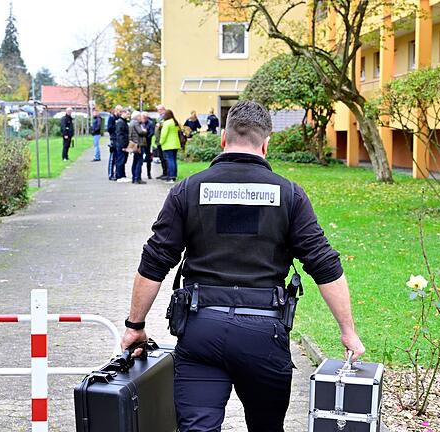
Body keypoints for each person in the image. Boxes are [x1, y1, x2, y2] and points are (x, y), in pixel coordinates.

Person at [120, 100, 365, 432]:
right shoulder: (289, 195)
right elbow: (323, 264)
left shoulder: (188, 191)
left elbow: (155, 261)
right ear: (266, 143)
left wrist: (135, 325)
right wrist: (348, 332)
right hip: (263, 334)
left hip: (200, 329)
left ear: (223, 138)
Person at [159, 109, 181, 183]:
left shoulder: (167, 123)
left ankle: (171, 177)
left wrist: (161, 142)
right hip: (175, 144)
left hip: (168, 144)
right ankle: (174, 176)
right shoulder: (174, 122)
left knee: (170, 160)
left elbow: (164, 134)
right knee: (173, 160)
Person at [128, 111, 148, 184]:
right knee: (139, 161)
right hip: (139, 144)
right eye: (140, 116)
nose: (141, 117)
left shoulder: (131, 122)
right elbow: (140, 132)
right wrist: (145, 131)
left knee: (135, 161)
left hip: (134, 144)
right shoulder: (136, 123)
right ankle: (137, 178)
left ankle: (134, 178)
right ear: (137, 117)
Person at [114, 109, 131, 183]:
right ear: (123, 113)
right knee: (121, 160)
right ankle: (119, 176)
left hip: (123, 144)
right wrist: (123, 145)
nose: (128, 115)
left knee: (123, 160)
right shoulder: (120, 122)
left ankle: (122, 175)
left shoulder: (122, 122)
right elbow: (120, 135)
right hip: (122, 145)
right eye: (127, 114)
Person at [107, 105, 122, 180]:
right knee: (112, 158)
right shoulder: (111, 118)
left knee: (118, 158)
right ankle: (110, 174)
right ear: (116, 110)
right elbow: (109, 128)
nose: (120, 112)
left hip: (119, 139)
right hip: (113, 139)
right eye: (120, 111)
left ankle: (117, 174)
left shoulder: (120, 118)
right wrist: (116, 126)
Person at [154, 104, 169, 180]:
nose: (158, 111)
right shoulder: (159, 117)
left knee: (165, 158)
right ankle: (164, 173)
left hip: (163, 141)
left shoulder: (165, 117)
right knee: (162, 158)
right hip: (159, 141)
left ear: (163, 109)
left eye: (159, 110)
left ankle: (167, 173)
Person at [140, 112, 155, 180]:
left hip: (147, 143)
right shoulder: (139, 123)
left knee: (148, 158)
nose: (143, 119)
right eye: (143, 117)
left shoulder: (150, 123)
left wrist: (146, 137)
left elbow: (152, 132)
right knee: (140, 158)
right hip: (141, 143)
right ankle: (139, 174)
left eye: (145, 118)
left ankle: (149, 174)